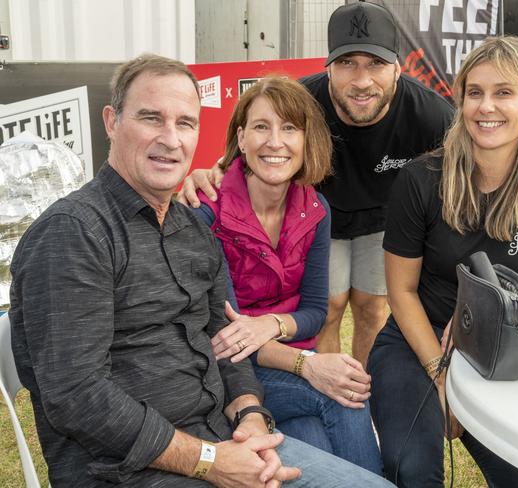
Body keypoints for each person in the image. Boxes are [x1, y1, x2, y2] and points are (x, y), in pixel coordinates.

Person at [9, 54, 394, 488]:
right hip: (130, 471)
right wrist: (210, 460)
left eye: (186, 123)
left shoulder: (187, 228)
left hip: (220, 435)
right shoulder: (73, 233)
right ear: (112, 122)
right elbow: (77, 397)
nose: (171, 139)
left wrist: (249, 412)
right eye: (151, 118)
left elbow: (221, 338)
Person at [367, 36, 518, 488]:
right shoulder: (421, 177)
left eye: (503, 92)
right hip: (420, 338)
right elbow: (401, 291)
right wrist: (441, 373)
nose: (485, 107)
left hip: (504, 341)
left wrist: (498, 306)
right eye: (475, 92)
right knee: (410, 469)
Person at [178, 0, 453, 367]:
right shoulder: (303, 100)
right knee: (328, 306)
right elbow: (251, 149)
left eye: (375, 63)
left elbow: (471, 159)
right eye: (346, 63)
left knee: (372, 307)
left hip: (383, 219)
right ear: (328, 69)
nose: (361, 80)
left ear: (398, 69)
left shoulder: (431, 114)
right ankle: (329, 382)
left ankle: (364, 391)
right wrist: (209, 173)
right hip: (319, 214)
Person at [193, 76, 382, 474]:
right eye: (262, 127)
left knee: (313, 438)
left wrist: (271, 324)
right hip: (232, 375)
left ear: (306, 141)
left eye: (290, 128)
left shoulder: (315, 208)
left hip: (286, 354)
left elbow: (315, 311)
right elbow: (228, 337)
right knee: (343, 394)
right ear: (241, 139)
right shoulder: (207, 213)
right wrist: (308, 366)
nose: (275, 142)